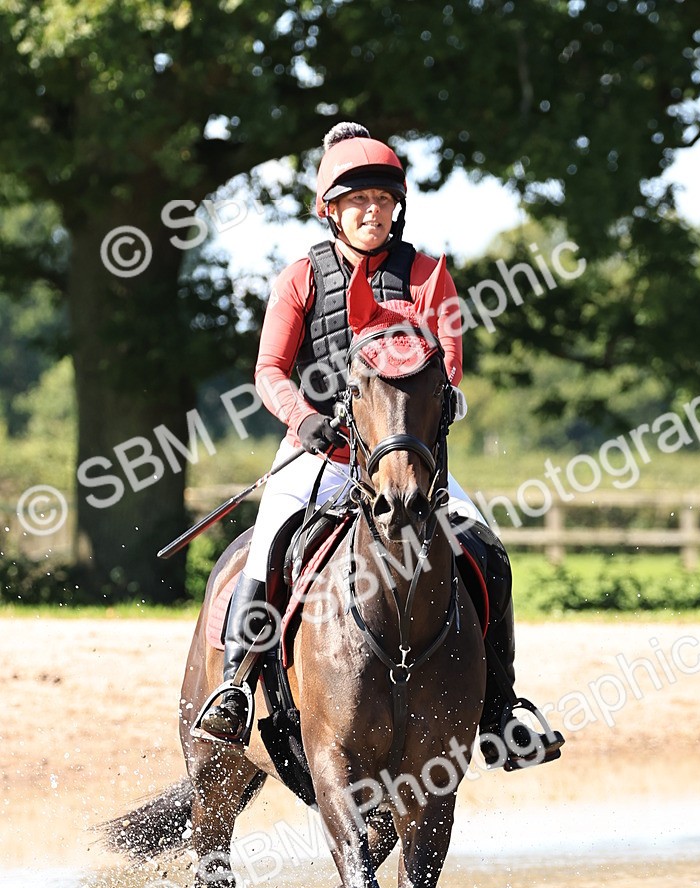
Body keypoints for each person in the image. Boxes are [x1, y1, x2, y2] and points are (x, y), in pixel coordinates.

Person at [200, 122, 548, 770]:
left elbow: (450, 368)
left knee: (487, 551)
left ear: (398, 208)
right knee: (269, 541)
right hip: (321, 454)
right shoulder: (301, 277)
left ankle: (501, 710)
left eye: (383, 202)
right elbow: (269, 371)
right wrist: (305, 421)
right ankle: (234, 688)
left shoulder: (424, 275)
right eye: (358, 202)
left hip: (406, 458)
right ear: (330, 209)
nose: (372, 213)